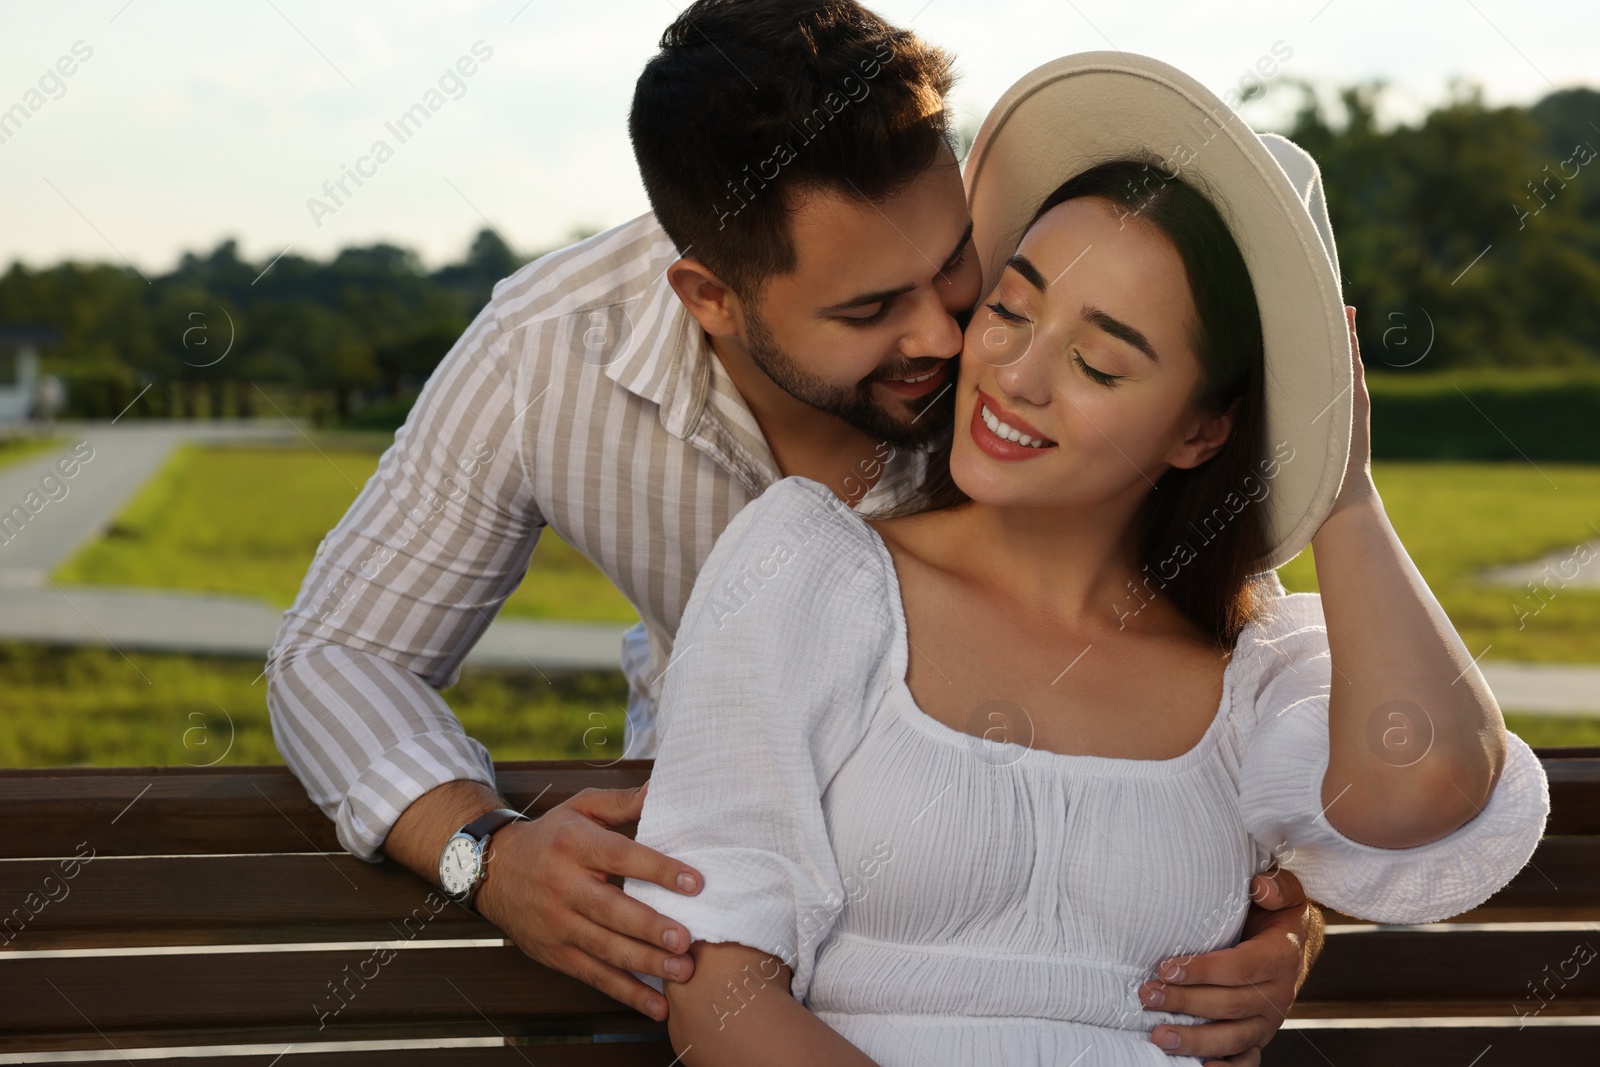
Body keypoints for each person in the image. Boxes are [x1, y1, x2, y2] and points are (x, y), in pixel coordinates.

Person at [266, 4, 1317, 1059]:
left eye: (957, 265)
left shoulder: (1029, 310)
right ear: (709, 297)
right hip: (710, 928)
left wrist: (1282, 911)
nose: (948, 334)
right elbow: (337, 654)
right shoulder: (547, 353)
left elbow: (1202, 617)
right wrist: (483, 854)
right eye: (869, 311)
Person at [621, 52, 1551, 1066]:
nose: (1012, 374)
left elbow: (1426, 788)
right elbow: (715, 983)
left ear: (1200, 429)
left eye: (1098, 360)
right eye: (1011, 311)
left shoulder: (1251, 663)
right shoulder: (812, 569)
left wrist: (1343, 484)